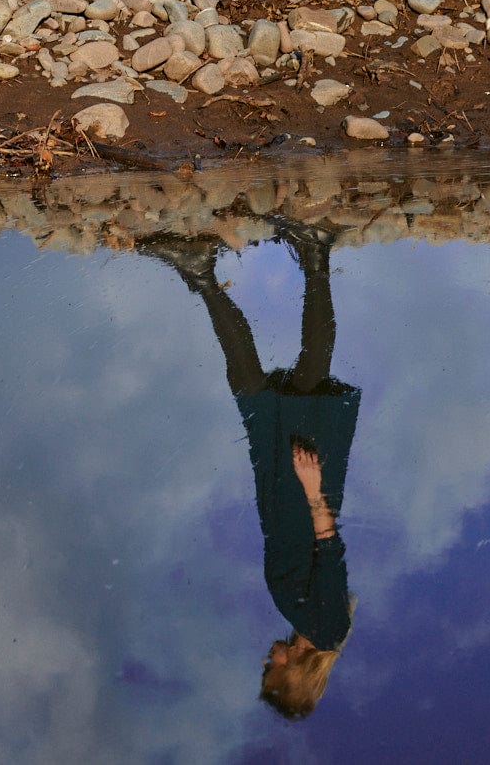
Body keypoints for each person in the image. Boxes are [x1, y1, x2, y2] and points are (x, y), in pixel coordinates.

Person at [137, 217, 359, 718]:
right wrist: (313, 487)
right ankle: (311, 256)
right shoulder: (327, 629)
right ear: (292, 674)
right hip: (303, 486)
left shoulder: (302, 619)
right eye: (270, 668)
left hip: (281, 486)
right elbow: (330, 550)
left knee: (256, 389)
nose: (267, 658)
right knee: (305, 380)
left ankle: (204, 273)